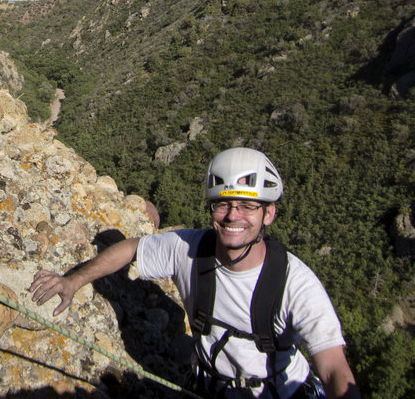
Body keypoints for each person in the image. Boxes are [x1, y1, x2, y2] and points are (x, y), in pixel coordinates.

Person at [30, 147, 360, 399]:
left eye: (247, 206)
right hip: (208, 388)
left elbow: (332, 367)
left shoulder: (295, 283)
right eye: (223, 204)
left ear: (268, 214)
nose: (233, 216)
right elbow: (131, 248)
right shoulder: (189, 249)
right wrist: (72, 280)